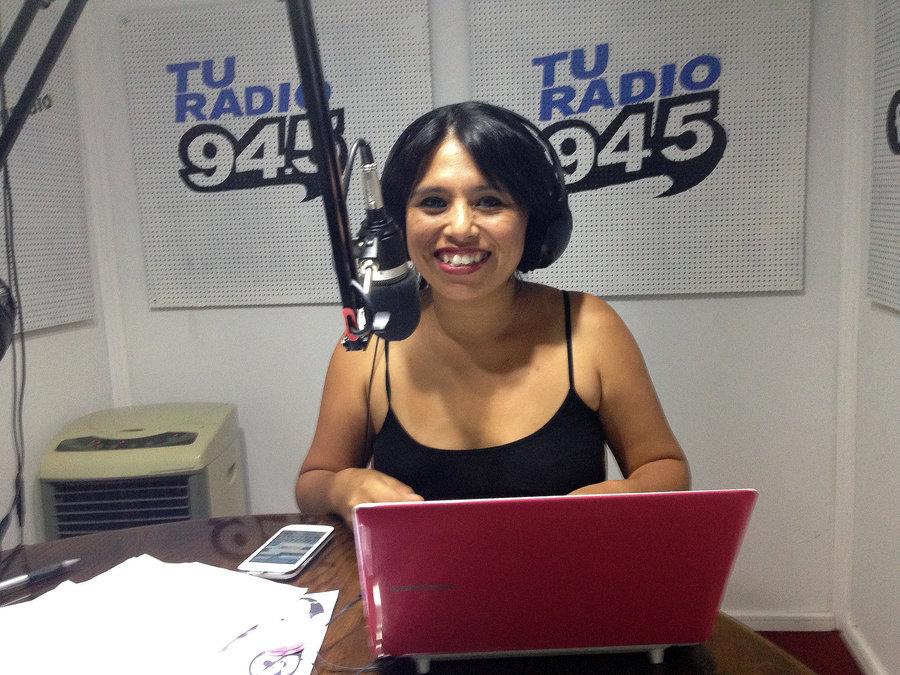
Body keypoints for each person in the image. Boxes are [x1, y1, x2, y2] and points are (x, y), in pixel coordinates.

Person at [296, 101, 689, 522]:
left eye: (489, 201)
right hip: (417, 569)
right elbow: (314, 483)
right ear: (397, 222)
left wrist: (626, 494)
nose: (460, 228)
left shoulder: (590, 327)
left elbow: (666, 468)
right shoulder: (371, 341)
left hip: (568, 564)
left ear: (531, 219)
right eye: (433, 202)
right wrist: (340, 487)